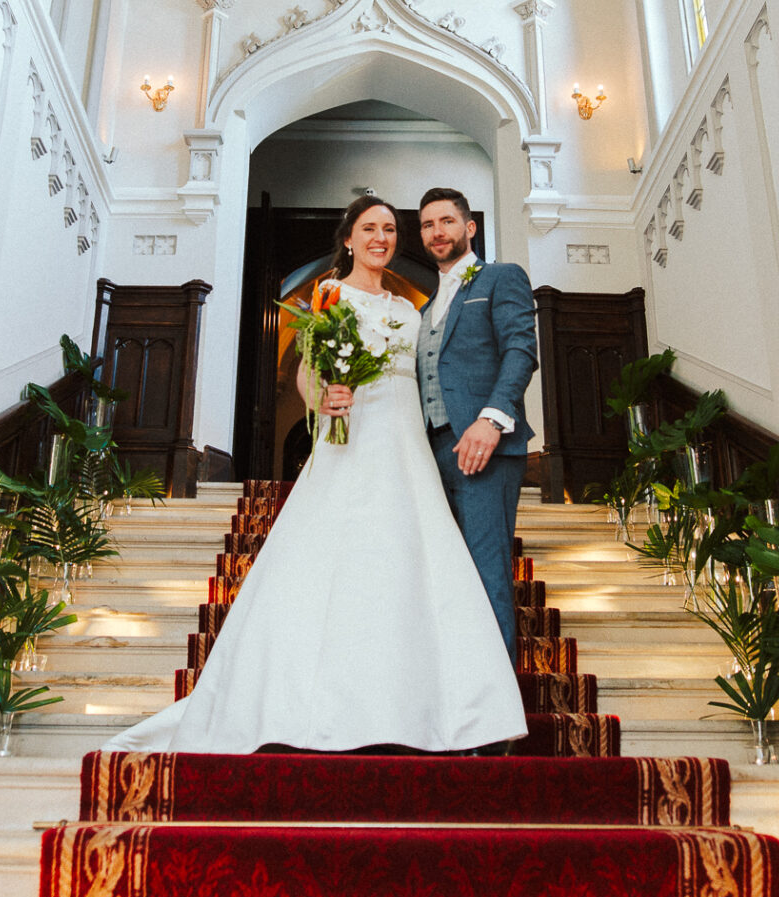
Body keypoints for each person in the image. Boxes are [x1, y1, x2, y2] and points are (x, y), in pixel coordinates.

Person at [101, 195, 526, 754]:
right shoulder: (327, 296)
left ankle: (453, 708)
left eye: (392, 229)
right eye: (370, 228)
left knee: (417, 559)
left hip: (411, 444)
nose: (383, 237)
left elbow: (443, 368)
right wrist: (321, 396)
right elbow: (306, 366)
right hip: (351, 440)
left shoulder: (408, 309)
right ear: (348, 238)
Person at [414, 187, 539, 657]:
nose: (436, 232)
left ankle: (496, 716)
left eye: (446, 221)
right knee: (448, 578)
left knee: (487, 573)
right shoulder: (425, 309)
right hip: (431, 453)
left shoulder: (500, 277)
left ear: (469, 227)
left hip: (485, 449)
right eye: (427, 225)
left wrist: (491, 420)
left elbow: (521, 351)